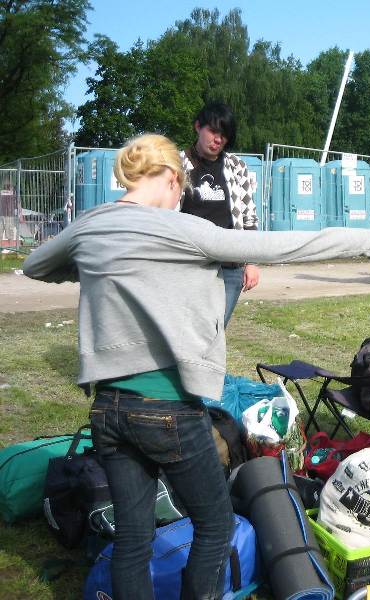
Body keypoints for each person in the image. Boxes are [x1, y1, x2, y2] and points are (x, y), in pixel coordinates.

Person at [22, 134, 296, 600]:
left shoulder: (92, 225)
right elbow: (275, 246)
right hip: (168, 409)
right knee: (216, 523)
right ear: (171, 178)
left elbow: (35, 264)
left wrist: (94, 262)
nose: (179, 199)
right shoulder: (181, 228)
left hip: (108, 410)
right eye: (180, 189)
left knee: (133, 537)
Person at [181, 101, 260, 326]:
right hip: (190, 264)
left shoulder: (237, 166)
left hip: (230, 266)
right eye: (214, 131)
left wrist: (252, 262)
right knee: (188, 328)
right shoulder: (178, 163)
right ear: (198, 126)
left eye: (224, 135)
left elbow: (249, 216)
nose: (218, 140)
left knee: (216, 330)